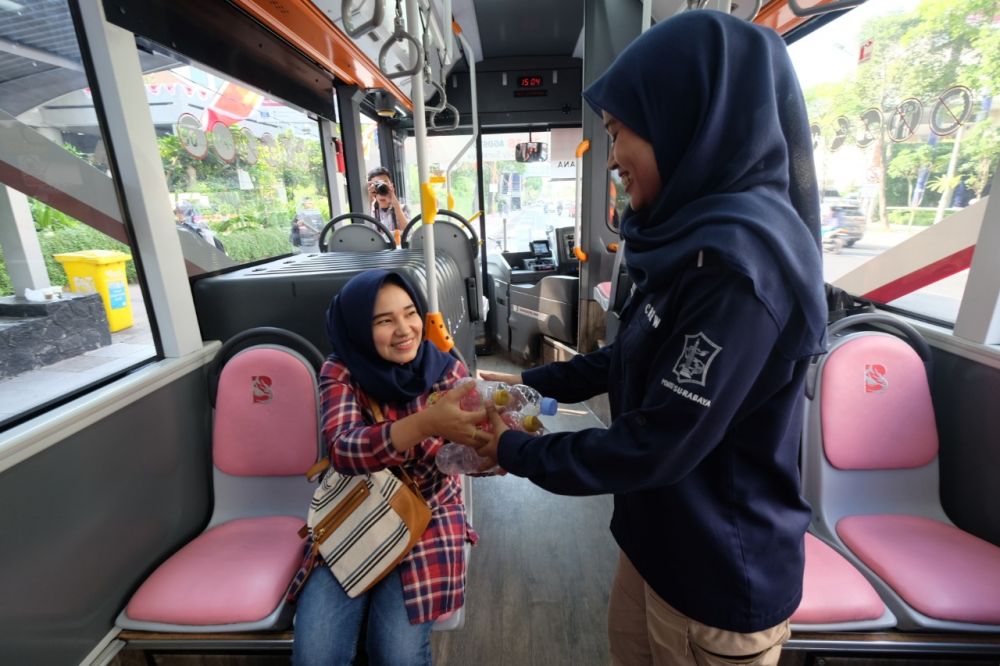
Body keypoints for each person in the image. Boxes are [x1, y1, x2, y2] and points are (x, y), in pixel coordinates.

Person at [470, 11, 826, 666]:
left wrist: (516, 451)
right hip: (657, 543)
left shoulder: (739, 271)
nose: (611, 161)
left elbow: (657, 443)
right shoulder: (682, 238)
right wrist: (521, 385)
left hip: (716, 574)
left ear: (681, 118)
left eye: (617, 134)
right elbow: (624, 358)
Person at [292, 269, 487, 666]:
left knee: (395, 654)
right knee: (315, 653)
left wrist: (492, 453)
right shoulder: (340, 370)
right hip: (357, 512)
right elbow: (344, 449)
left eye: (410, 313)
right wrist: (425, 424)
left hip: (428, 517)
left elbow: (460, 457)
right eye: (383, 321)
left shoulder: (446, 370)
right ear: (359, 330)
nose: (404, 330)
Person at [368, 166, 409, 233]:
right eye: (377, 184)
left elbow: (409, 232)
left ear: (391, 185)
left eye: (385, 183)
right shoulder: (369, 210)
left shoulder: (402, 208)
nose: (381, 186)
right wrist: (368, 199)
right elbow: (363, 232)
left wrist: (396, 205)